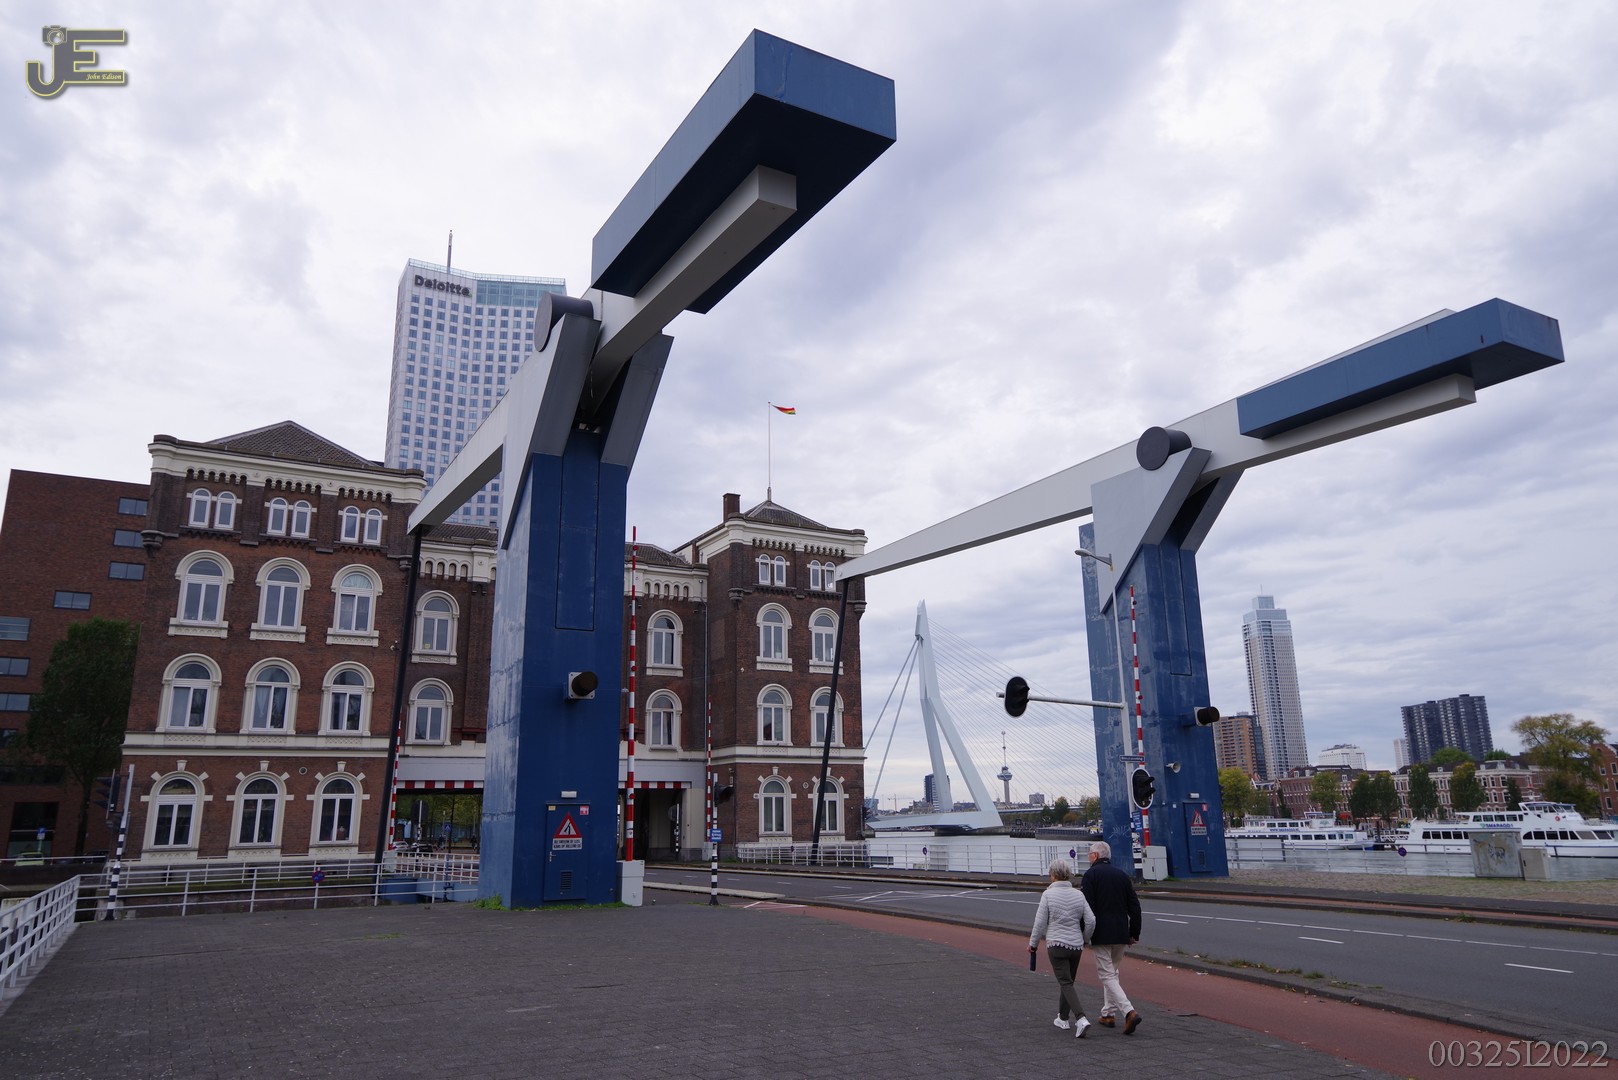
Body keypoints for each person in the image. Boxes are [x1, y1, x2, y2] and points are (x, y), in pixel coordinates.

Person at [1028, 856, 1096, 1038]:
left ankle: (1081, 1018)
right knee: (1068, 982)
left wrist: (1033, 944)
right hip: (1076, 946)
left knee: (1065, 982)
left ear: (1053, 875)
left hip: (1056, 944)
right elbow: (1091, 921)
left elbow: (1040, 923)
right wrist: (1084, 939)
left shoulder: (1048, 895)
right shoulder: (1079, 895)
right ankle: (1063, 1018)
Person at [1080, 840, 1143, 1034]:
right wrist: (1133, 933)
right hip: (1120, 932)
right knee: (1112, 973)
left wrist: (1084, 934)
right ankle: (1108, 1013)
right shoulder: (1122, 875)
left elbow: (1087, 908)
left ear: (1096, 856)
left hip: (1100, 933)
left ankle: (1129, 1011)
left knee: (1106, 974)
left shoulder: (1090, 875)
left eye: (1089, 854)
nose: (1089, 858)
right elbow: (1135, 906)